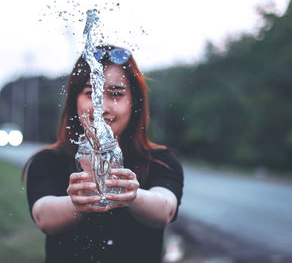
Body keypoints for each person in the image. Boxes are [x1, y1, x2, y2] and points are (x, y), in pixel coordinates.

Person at [23, 45, 184, 263]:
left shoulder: (161, 160)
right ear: (75, 100)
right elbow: (43, 216)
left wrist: (133, 196)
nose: (102, 107)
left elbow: (164, 210)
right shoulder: (49, 160)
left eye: (116, 94)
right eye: (91, 93)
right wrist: (77, 203)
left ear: (134, 101)